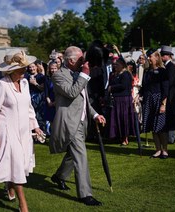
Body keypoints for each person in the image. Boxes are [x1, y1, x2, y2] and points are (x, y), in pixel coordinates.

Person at [49, 46, 106, 206]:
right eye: (81, 59)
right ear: (71, 60)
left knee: (71, 153)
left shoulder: (79, 74)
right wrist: (85, 74)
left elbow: (84, 99)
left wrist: (95, 114)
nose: (84, 62)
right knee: (81, 156)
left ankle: (59, 176)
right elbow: (73, 92)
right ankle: (85, 194)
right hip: (69, 122)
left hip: (82, 122)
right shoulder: (58, 76)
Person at [0, 50, 43, 212]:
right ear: (11, 70)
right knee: (17, 165)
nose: (24, 71)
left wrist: (36, 126)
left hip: (24, 131)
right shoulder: (2, 85)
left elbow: (28, 108)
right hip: (7, 130)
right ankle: (23, 204)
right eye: (21, 69)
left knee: (21, 164)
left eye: (25, 68)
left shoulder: (26, 83)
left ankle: (9, 184)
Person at [140, 49, 169, 159]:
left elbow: (165, 89)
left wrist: (163, 104)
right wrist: (139, 95)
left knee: (161, 126)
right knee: (153, 126)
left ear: (157, 57)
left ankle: (165, 150)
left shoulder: (162, 71)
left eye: (150, 56)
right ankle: (157, 149)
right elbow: (144, 87)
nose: (148, 58)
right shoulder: (147, 72)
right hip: (148, 100)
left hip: (159, 100)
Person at [108, 57, 135, 145]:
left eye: (117, 64)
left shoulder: (126, 74)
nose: (115, 66)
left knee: (124, 119)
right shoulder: (114, 74)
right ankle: (118, 136)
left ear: (122, 65)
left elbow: (123, 85)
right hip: (116, 99)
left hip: (124, 99)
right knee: (117, 119)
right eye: (115, 64)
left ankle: (125, 138)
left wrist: (112, 88)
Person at [160, 45, 175, 144]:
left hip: (171, 95)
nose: (161, 56)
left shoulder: (170, 67)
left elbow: (171, 81)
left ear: (167, 56)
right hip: (170, 94)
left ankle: (171, 137)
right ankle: (172, 136)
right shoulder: (168, 66)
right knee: (169, 116)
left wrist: (166, 93)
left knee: (170, 116)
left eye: (163, 55)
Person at [25, 60, 46, 132]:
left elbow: (42, 88)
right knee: (30, 116)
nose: (31, 69)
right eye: (30, 67)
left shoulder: (41, 76)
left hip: (39, 99)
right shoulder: (26, 76)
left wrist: (35, 83)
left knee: (39, 117)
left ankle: (40, 133)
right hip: (29, 98)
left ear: (36, 67)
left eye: (33, 67)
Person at [44, 60, 58, 136]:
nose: (53, 70)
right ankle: (53, 138)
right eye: (52, 68)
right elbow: (46, 92)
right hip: (50, 103)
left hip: (59, 102)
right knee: (52, 122)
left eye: (55, 68)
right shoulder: (47, 79)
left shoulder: (61, 78)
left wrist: (56, 102)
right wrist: (49, 102)